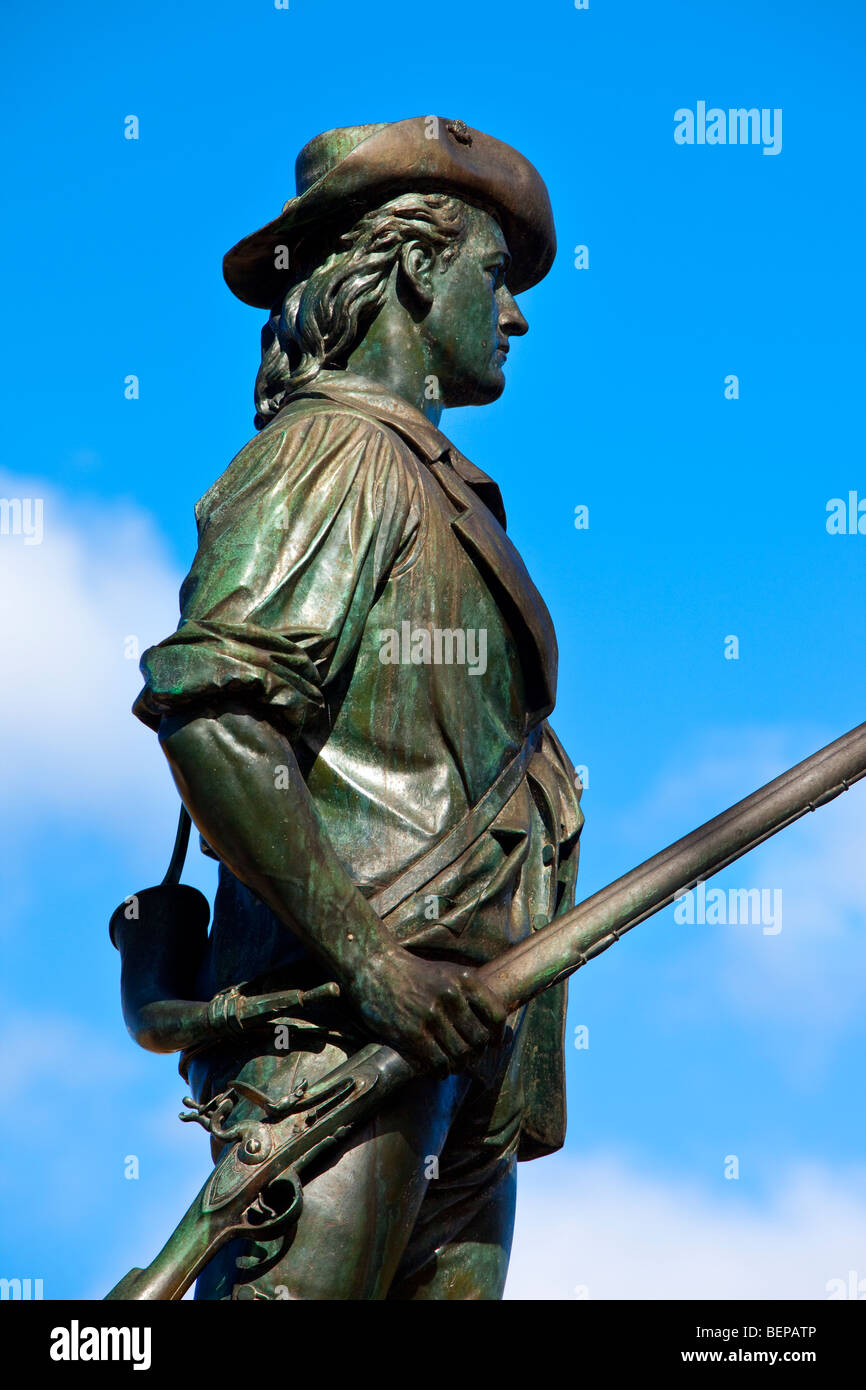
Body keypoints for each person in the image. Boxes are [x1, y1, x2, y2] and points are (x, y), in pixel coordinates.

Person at [134, 116, 584, 1300]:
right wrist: (375, 963)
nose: (518, 312)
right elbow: (217, 711)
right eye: (495, 274)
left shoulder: (430, 482)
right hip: (343, 1047)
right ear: (419, 267)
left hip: (461, 1061)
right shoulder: (336, 452)